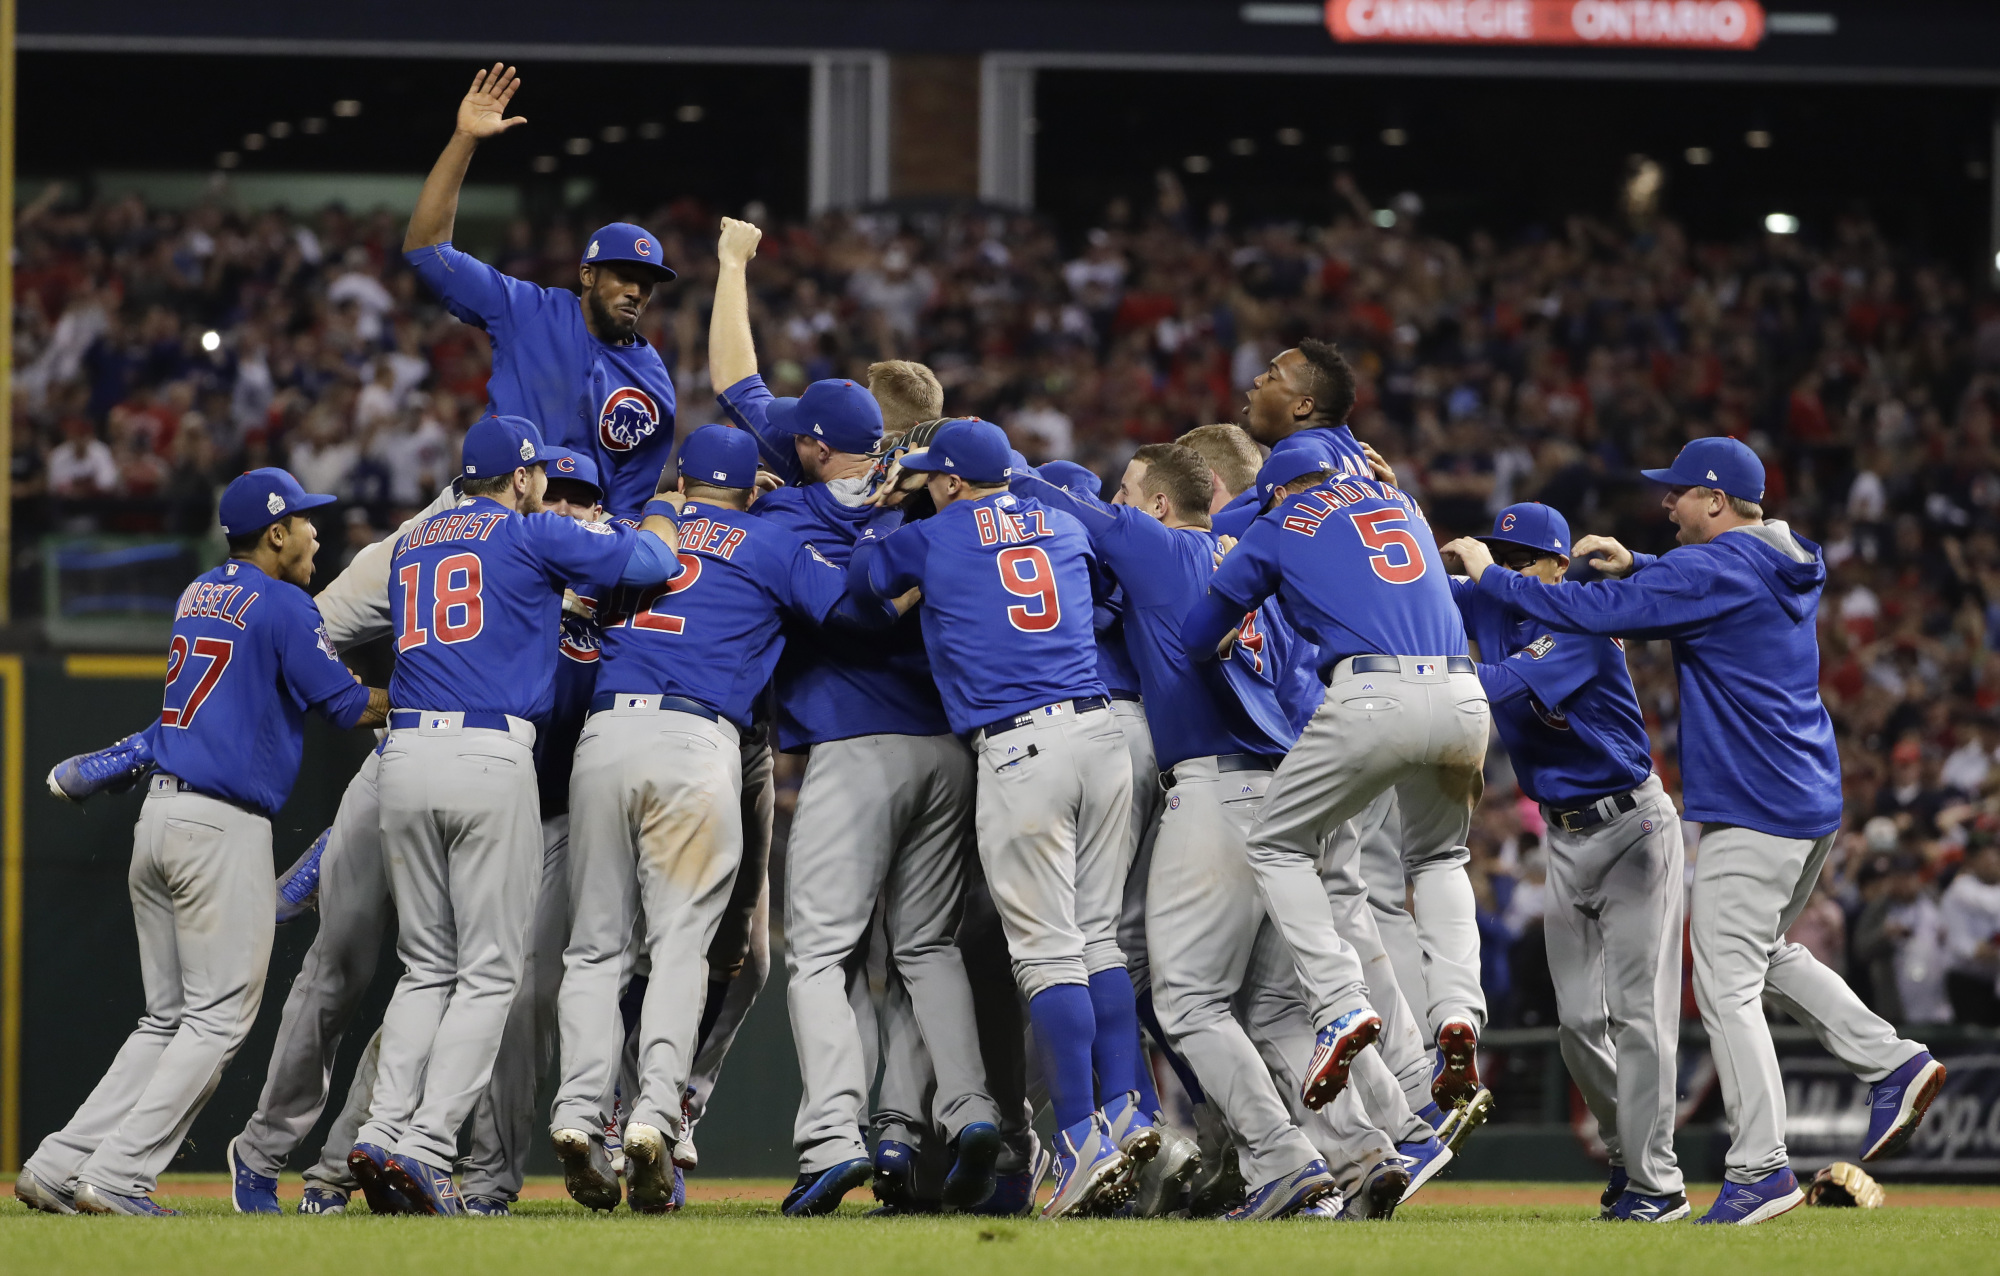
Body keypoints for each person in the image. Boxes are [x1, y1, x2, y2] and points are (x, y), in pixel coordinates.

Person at [1443, 436, 1943, 1225]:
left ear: (1716, 499)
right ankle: (1893, 1062)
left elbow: (1591, 608)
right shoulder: (1771, 559)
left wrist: (1492, 572)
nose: (1666, 504)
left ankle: (1760, 1170)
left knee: (1725, 982)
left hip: (1756, 802)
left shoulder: (1716, 569)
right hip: (1804, 800)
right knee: (1763, 954)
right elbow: (1699, 586)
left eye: (1678, 492)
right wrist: (1640, 563)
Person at [706, 218, 1003, 1217]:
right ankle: (959, 1111)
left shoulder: (791, 508)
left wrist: (733, 268)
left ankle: (833, 1138)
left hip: (857, 748)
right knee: (924, 951)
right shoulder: (937, 503)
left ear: (810, 444)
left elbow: (733, 380)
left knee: (821, 954)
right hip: (951, 750)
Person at [551, 425, 912, 1214]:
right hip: (695, 739)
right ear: (754, 487)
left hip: (606, 735)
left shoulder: (635, 530)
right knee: (685, 948)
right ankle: (653, 1113)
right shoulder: (769, 539)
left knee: (594, 950)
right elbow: (857, 617)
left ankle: (579, 1114)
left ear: (683, 476)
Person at [15, 469, 387, 1216]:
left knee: (165, 1019)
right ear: (275, 534)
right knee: (216, 1018)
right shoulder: (283, 603)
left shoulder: (197, 594)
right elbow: (347, 706)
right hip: (220, 827)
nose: (318, 533)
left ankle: (58, 1164)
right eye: (306, 522)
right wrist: (433, 696)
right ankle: (117, 1174)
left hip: (159, 818)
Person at [348, 415, 684, 1215]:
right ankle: (427, 1150)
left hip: (403, 757)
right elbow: (653, 559)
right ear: (525, 477)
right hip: (486, 754)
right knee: (490, 973)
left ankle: (382, 1132)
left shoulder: (413, 542)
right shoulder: (530, 535)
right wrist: (665, 510)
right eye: (538, 477)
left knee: (425, 966)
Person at [846, 418, 1145, 1219]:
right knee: (1099, 940)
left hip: (1022, 747)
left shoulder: (937, 531)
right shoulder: (1063, 516)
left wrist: (888, 500)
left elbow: (863, 582)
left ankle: (1081, 1142)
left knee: (1048, 956)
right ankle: (1128, 1115)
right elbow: (1114, 588)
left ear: (945, 479)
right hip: (1102, 730)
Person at [1183, 448, 1489, 1120]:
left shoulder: (1282, 515)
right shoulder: (1402, 504)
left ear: (1281, 488)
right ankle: (1458, 1013)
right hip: (1465, 693)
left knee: (1277, 844)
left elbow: (1198, 632)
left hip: (1373, 694)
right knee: (1440, 858)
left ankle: (1340, 1004)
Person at [1441, 502, 1688, 1223]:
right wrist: (1389, 507)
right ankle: (1627, 1150)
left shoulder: (1580, 619)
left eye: (1521, 560)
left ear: (1557, 566)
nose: (1507, 569)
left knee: (1638, 1017)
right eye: (1500, 555)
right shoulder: (1488, 602)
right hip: (1565, 838)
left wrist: (1480, 584)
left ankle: (1658, 1182)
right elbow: (1405, 583)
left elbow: (1499, 689)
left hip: (1633, 827)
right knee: (1578, 1023)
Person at [403, 64, 678, 518]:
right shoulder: (528, 309)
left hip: (576, 531)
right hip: (484, 506)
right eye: (623, 277)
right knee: (351, 591)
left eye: (646, 284)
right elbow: (427, 250)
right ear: (588, 275)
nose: (635, 292)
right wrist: (464, 140)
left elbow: (627, 509)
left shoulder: (654, 386)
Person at [1940, 838, 2000, 1026]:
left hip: (1994, 978)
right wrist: (1974, 950)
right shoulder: (1960, 890)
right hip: (1966, 979)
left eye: (1996, 859)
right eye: (1987, 860)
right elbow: (1955, 939)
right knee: (1973, 1042)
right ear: (1972, 862)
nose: (1994, 864)